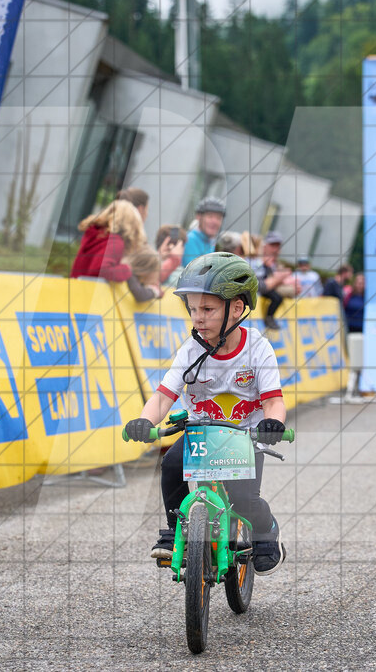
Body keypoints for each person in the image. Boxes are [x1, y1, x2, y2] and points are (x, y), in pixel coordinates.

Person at [123, 252, 288, 575]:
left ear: (236, 308)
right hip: (202, 434)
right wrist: (145, 420)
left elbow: (273, 401)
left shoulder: (258, 348)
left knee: (243, 500)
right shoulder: (191, 349)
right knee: (171, 465)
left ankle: (266, 530)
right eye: (193, 309)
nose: (198, 318)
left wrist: (274, 424)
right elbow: (164, 395)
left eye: (208, 309)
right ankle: (174, 529)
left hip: (244, 437)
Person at [69, 199, 146, 282]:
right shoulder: (115, 242)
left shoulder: (96, 235)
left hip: (77, 287)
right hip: (90, 291)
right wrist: (127, 269)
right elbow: (103, 269)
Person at [254, 232, 293, 330]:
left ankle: (269, 318)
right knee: (276, 297)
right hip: (258, 287)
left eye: (278, 246)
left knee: (277, 297)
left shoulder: (276, 264)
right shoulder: (257, 259)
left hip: (265, 287)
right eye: (272, 245)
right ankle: (269, 318)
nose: (275, 250)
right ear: (264, 246)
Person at [181, 197, 225, 266]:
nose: (214, 222)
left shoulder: (212, 243)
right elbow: (195, 273)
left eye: (218, 218)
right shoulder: (189, 240)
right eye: (210, 216)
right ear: (198, 217)